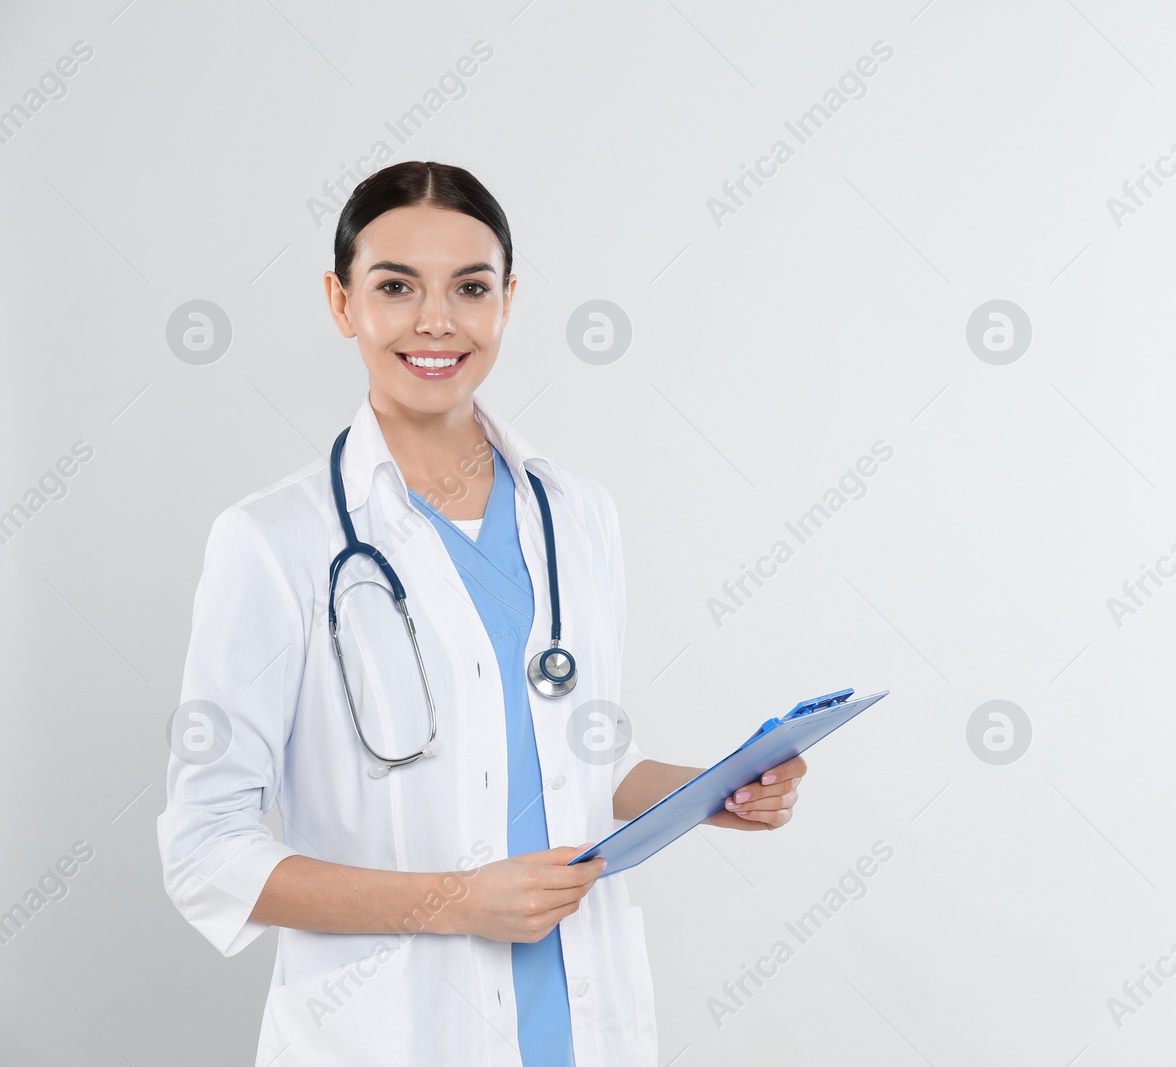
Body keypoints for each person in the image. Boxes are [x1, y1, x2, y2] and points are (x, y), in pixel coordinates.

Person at [156, 160, 806, 1066]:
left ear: (507, 301)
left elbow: (581, 758)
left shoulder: (577, 513)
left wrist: (712, 791)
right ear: (342, 303)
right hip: (397, 1032)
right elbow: (206, 848)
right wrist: (453, 900)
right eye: (396, 286)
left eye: (470, 287)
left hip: (581, 1020)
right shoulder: (273, 541)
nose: (436, 321)